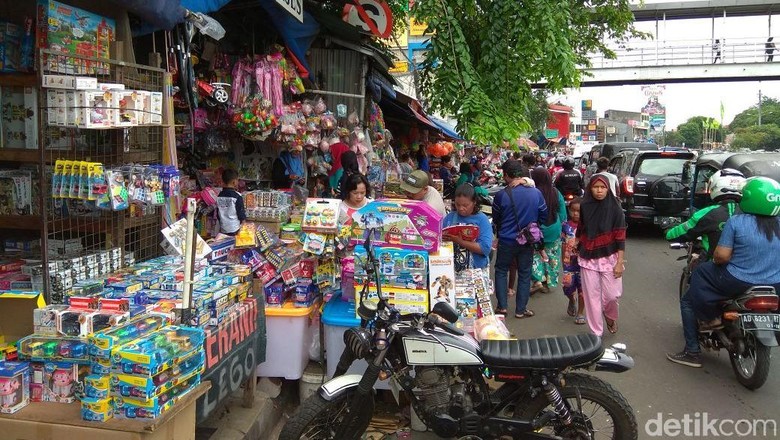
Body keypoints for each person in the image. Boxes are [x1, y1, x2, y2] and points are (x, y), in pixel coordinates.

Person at [667, 177, 780, 368]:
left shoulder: (737, 222)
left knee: (698, 278)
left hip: (737, 280)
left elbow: (721, 257)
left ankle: (695, 346)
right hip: (774, 285)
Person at [492, 160, 548, 318]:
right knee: (524, 273)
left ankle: (502, 307)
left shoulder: (501, 195)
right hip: (527, 240)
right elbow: (543, 215)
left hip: (506, 241)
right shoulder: (536, 193)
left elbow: (496, 218)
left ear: (508, 176)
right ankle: (521, 310)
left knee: (501, 270)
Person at [577, 175, 626, 336]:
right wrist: (574, 242)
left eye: (602, 187)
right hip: (587, 257)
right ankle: (596, 333)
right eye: (595, 187)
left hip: (609, 257)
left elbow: (620, 236)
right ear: (590, 188)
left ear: (608, 189)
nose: (599, 190)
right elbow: (581, 229)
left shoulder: (615, 208)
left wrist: (619, 262)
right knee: (592, 298)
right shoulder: (585, 206)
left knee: (611, 295)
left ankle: (610, 316)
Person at [665, 169, 746, 260]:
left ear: (715, 186)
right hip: (746, 266)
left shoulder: (708, 213)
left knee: (698, 272)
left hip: (715, 265)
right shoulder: (751, 212)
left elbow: (683, 232)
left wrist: (669, 233)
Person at [531, 167, 567, 294]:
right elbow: (562, 213)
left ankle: (538, 280)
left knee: (535, 255)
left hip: (537, 231)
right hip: (554, 228)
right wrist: (562, 226)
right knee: (552, 257)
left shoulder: (533, 193)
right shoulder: (556, 192)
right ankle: (548, 282)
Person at [442, 184, 494, 270]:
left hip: (475, 269)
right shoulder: (450, 217)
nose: (461, 208)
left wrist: (460, 241)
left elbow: (485, 249)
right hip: (452, 267)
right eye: (458, 205)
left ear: (474, 203)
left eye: (465, 205)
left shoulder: (482, 220)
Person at [562, 198, 586, 324]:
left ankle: (581, 313)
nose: (575, 214)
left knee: (583, 291)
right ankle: (572, 300)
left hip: (584, 264)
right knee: (567, 288)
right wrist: (563, 262)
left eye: (579, 211)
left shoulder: (588, 226)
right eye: (573, 211)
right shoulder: (565, 226)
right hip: (569, 263)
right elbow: (563, 244)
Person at [217, 169, 246, 236]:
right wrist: (244, 223)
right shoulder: (237, 196)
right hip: (235, 228)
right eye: (237, 180)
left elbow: (218, 213)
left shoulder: (219, 195)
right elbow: (241, 212)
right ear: (234, 182)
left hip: (223, 228)